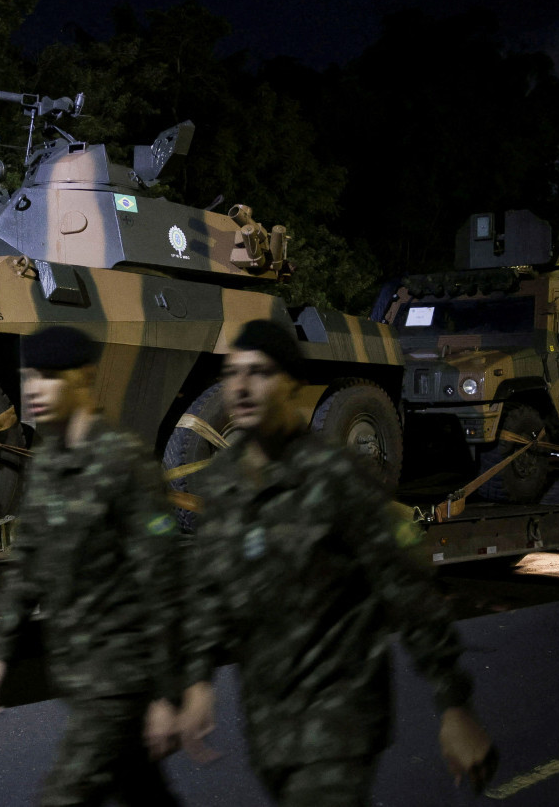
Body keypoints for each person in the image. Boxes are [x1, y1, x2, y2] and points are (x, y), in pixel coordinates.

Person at [176, 319, 496, 806]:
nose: (240, 386)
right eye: (231, 373)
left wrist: (454, 704)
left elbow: (407, 588)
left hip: (337, 721)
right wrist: (198, 679)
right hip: (268, 724)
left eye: (258, 372)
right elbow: (208, 588)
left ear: (292, 384)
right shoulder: (222, 482)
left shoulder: (336, 477)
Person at [0, 326, 183, 807]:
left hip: (120, 677)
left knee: (66, 794)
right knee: (141, 792)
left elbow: (163, 580)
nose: (33, 390)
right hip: (77, 672)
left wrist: (169, 693)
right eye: (29, 377)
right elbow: (28, 568)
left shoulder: (124, 461)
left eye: (48, 377)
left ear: (84, 378)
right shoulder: (47, 463)